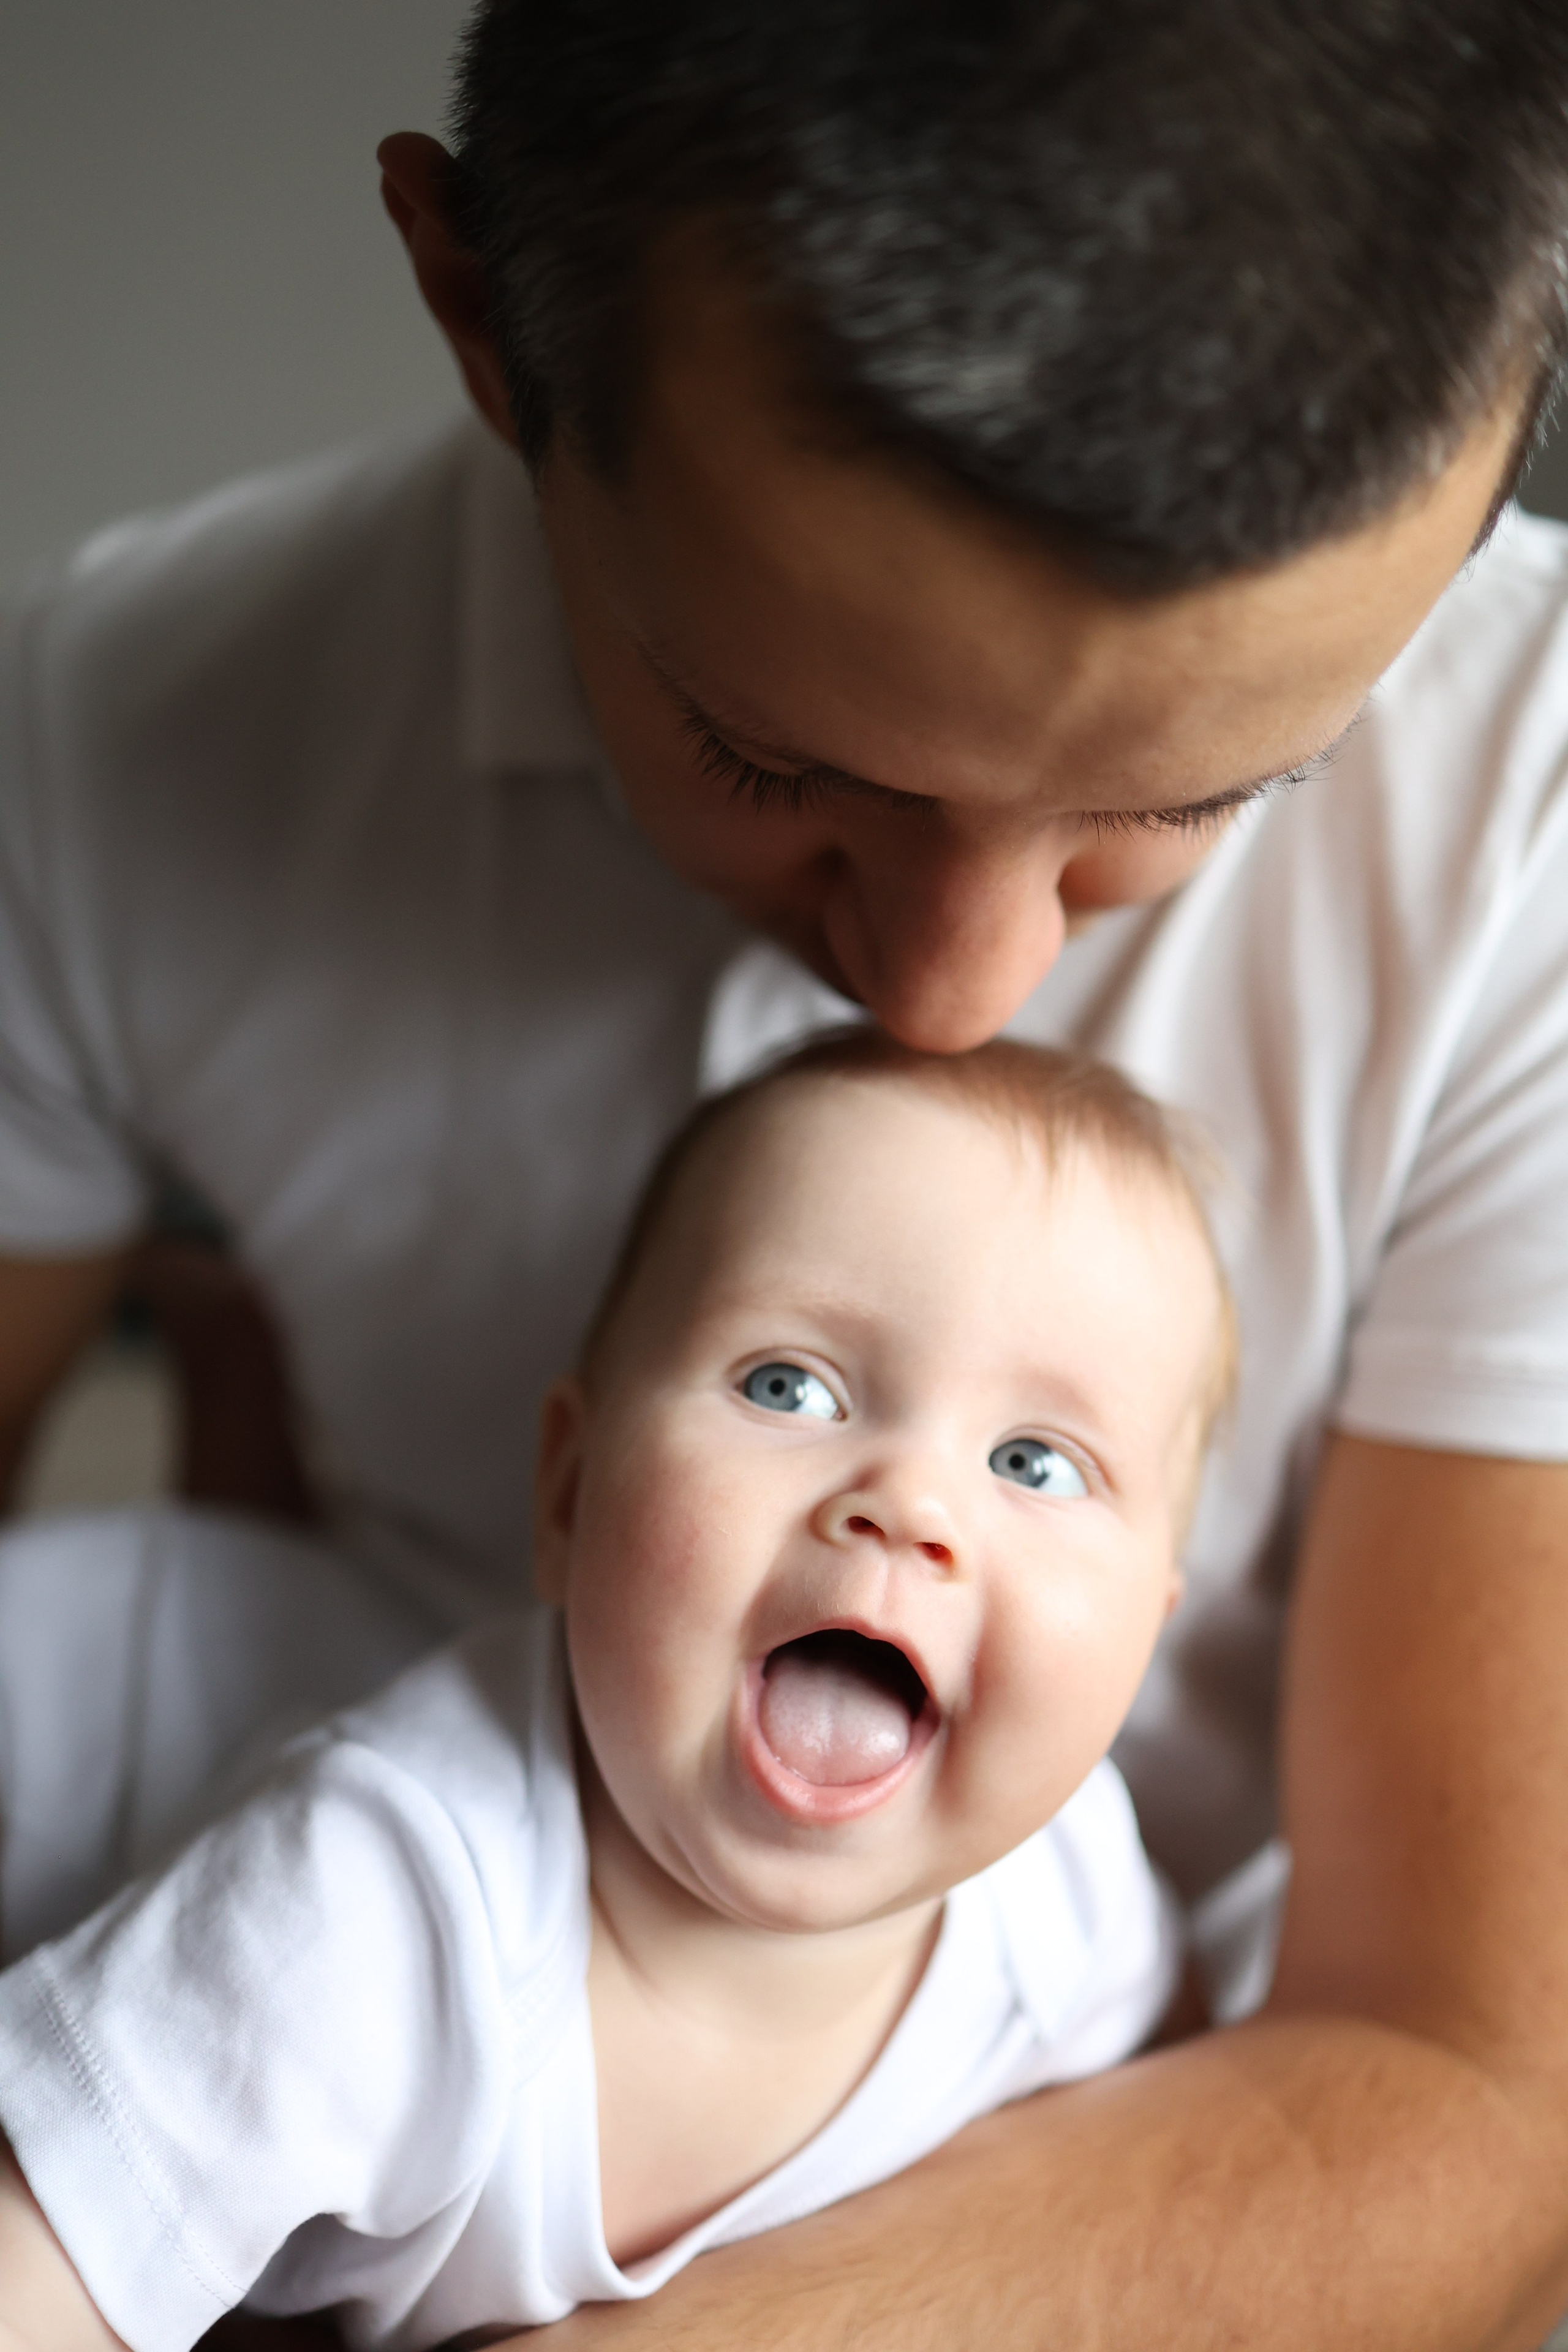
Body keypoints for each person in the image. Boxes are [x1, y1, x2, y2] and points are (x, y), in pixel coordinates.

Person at [4, 1, 1568, 2343]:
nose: (953, 993)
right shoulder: (116, 740)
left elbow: (1475, 2079)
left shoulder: (1532, 831)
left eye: (1204, 796)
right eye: (774, 753)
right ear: (482, 315)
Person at [0, 1034, 1229, 2349]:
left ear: (1142, 1642)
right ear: (569, 1496)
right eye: (789, 1386)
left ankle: (223, 1363)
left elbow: (1183, 2105)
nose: (907, 1504)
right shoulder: (377, 1911)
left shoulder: (1066, 1906)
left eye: (1036, 1465)